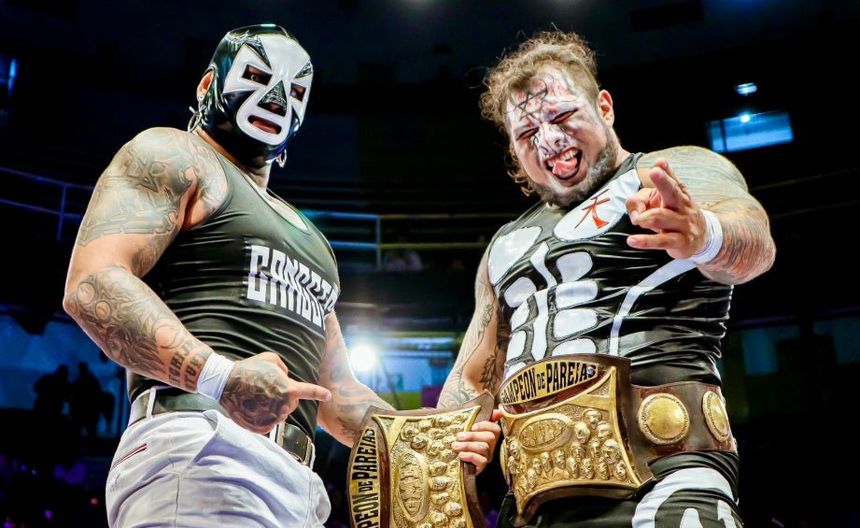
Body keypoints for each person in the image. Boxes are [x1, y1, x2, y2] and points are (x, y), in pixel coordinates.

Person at [62, 24, 494, 527]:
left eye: (295, 90)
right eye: (256, 76)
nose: (275, 98)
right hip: (200, 446)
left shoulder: (312, 240)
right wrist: (222, 378)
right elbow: (92, 284)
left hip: (296, 481)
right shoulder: (174, 154)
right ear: (208, 85)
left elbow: (336, 393)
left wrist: (436, 436)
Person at [438, 30, 775, 527]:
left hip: (664, 473)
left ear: (604, 107)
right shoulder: (505, 244)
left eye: (561, 117)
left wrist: (702, 234)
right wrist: (456, 440)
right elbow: (473, 375)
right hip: (532, 500)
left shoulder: (667, 172)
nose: (549, 140)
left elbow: (755, 245)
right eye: (527, 134)